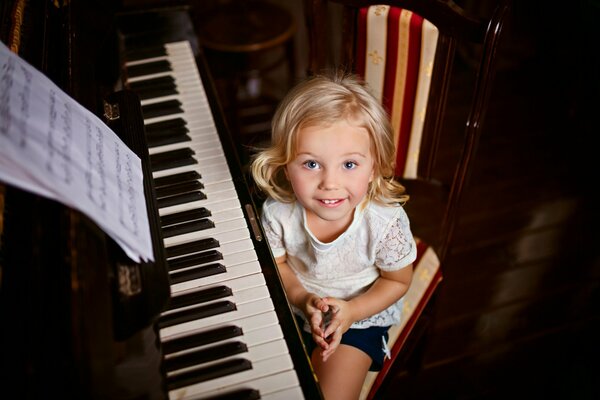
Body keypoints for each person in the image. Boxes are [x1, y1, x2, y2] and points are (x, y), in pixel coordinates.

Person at [250, 72, 416, 400]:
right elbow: (279, 264)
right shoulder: (278, 213)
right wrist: (301, 298)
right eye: (311, 164)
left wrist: (352, 311)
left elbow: (397, 281)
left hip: (358, 319)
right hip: (293, 306)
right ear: (285, 166)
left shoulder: (384, 222)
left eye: (349, 165)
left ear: (374, 167)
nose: (330, 183)